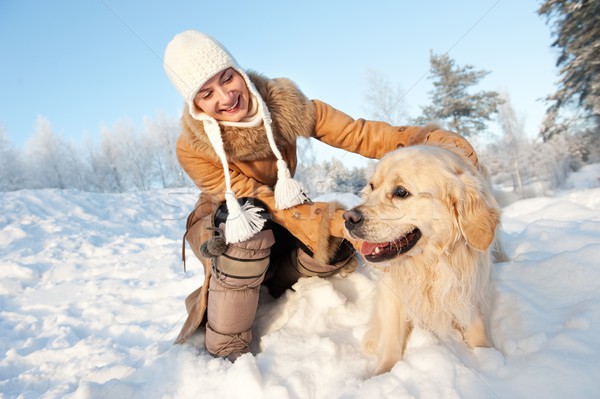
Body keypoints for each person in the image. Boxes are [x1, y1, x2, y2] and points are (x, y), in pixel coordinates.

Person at [163, 30, 479, 361]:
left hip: (282, 214)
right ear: (196, 104)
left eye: (227, 78)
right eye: (207, 93)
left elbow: (357, 133)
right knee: (251, 239)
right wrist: (327, 219)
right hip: (230, 221)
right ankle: (225, 348)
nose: (226, 97)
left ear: (239, 72)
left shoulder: (285, 106)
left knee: (337, 249)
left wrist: (422, 138)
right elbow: (259, 199)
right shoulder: (193, 148)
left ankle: (272, 282)